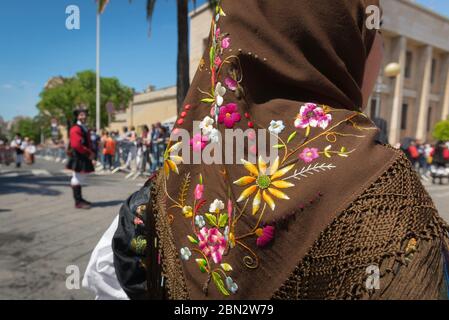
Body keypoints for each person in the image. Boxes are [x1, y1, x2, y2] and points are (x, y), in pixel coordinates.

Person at [84, 0, 449, 300]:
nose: (380, 51)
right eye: (374, 31)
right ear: (337, 42)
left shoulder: (162, 190)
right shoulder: (387, 200)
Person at [66, 109, 95, 209]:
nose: (84, 117)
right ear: (77, 117)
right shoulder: (75, 128)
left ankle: (79, 199)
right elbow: (76, 144)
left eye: (85, 115)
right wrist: (88, 153)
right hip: (79, 156)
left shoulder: (83, 127)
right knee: (77, 178)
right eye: (81, 115)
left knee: (79, 178)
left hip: (82, 156)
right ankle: (78, 201)